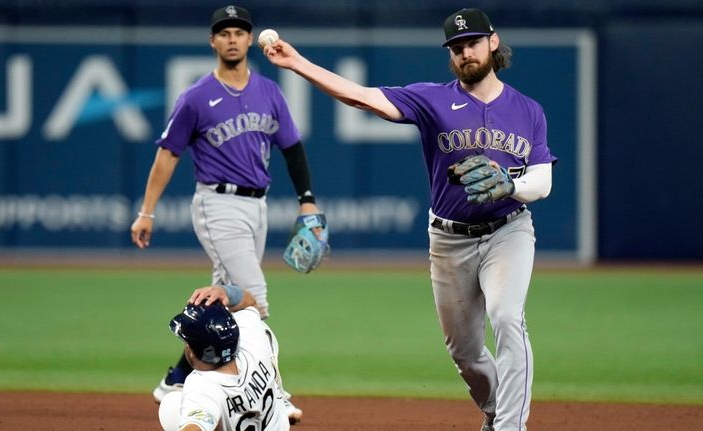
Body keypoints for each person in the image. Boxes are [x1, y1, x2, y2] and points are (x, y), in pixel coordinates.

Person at [263, 8, 555, 431]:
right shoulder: (433, 99)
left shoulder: (528, 110)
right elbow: (360, 96)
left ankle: (511, 426)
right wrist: (297, 63)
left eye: (472, 43)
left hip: (507, 230)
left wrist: (510, 187)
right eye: (456, 48)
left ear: (493, 42)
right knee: (466, 354)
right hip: (449, 240)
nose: (464, 53)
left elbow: (543, 180)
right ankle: (495, 414)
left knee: (508, 318)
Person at [130, 4, 317, 419]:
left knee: (221, 300)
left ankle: (175, 380)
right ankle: (274, 391)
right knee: (255, 299)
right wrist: (147, 212)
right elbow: (167, 155)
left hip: (258, 205)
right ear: (213, 41)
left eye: (239, 32)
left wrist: (306, 199)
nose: (232, 38)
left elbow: (292, 147)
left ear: (250, 40)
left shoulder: (269, 92)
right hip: (217, 204)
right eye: (224, 32)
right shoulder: (196, 97)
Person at [158, 285, 294, 431]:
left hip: (211, 402)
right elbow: (251, 303)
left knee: (171, 405)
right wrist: (226, 292)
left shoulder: (202, 385)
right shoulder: (253, 339)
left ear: (192, 351)